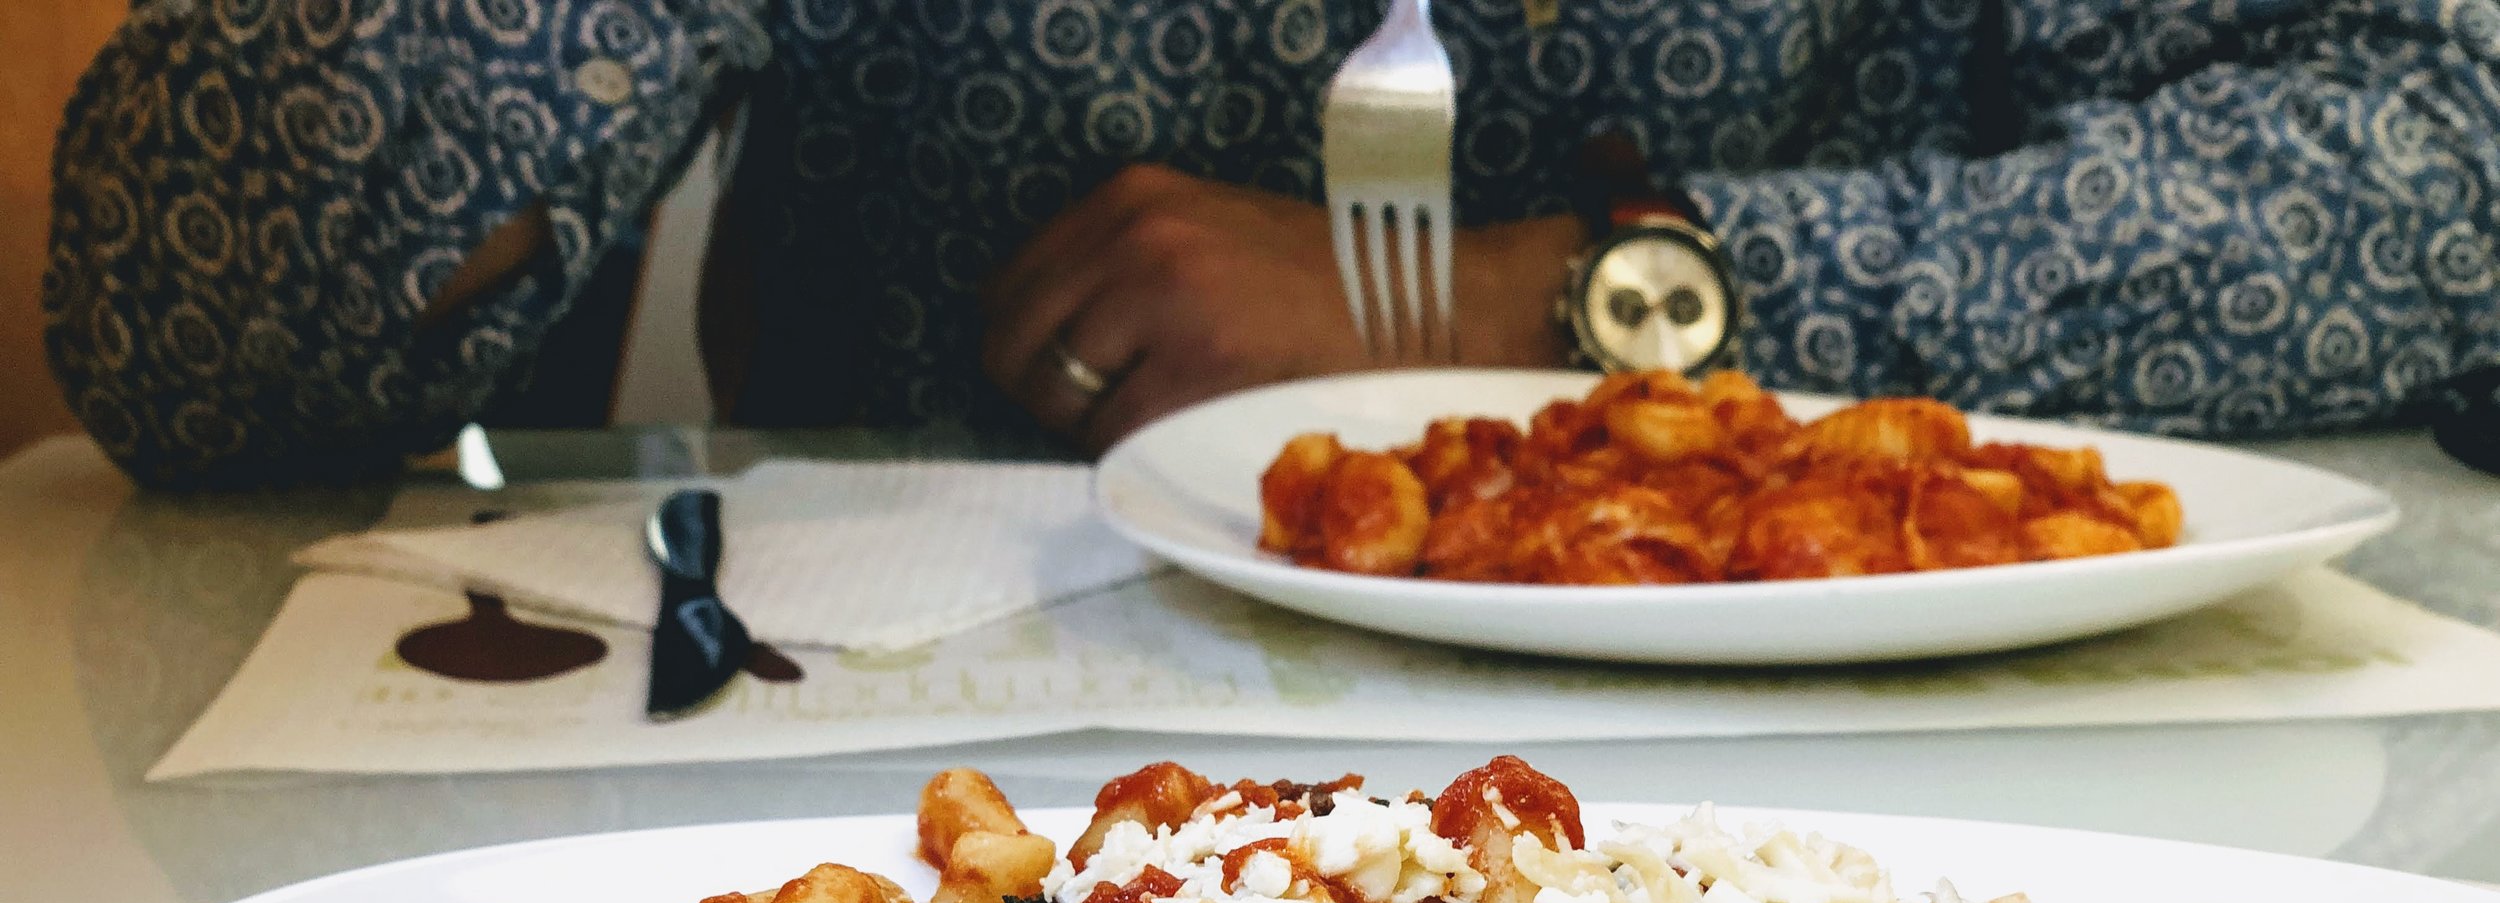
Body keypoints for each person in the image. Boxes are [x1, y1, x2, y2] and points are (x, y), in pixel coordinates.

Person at [43, 0, 2500, 489]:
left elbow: (2437, 154)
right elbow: (174, 337)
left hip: (1879, 708)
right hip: (901, 800)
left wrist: (1536, 296)